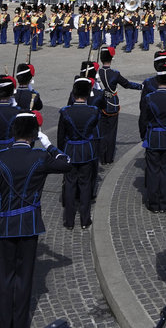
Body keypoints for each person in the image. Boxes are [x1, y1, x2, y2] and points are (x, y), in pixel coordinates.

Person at [0, 111, 74, 328]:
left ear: (14, 132)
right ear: (34, 134)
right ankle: (20, 322)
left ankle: (6, 322)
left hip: (5, 225)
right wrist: (48, 144)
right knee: (24, 278)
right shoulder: (40, 157)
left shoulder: (0, 157)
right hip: (29, 224)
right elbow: (67, 163)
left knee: (6, 276)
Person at [57, 76, 100, 230]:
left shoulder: (65, 111)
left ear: (73, 94)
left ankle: (69, 221)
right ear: (88, 94)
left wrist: (61, 153)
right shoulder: (93, 111)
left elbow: (61, 136)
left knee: (69, 185)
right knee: (85, 185)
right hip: (87, 151)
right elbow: (95, 133)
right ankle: (85, 219)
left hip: (70, 150)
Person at [140, 71, 166, 211]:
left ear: (157, 81)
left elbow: (143, 119)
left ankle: (153, 203)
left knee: (152, 171)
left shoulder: (149, 98)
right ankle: (164, 203)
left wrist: (143, 135)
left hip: (153, 137)